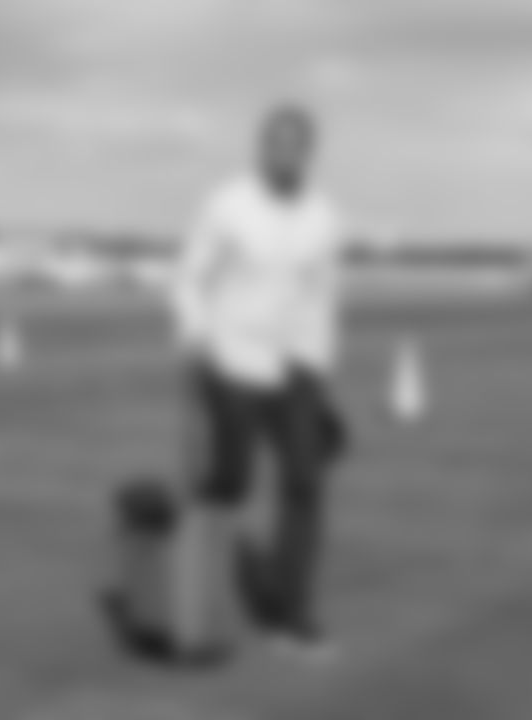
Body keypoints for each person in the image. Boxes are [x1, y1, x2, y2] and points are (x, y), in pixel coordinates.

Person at [170, 102, 350, 663]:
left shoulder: (325, 216)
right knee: (231, 481)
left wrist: (320, 371)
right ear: (261, 148)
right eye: (274, 143)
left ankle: (291, 617)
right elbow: (190, 277)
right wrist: (196, 339)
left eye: (294, 144)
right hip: (233, 361)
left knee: (305, 484)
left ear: (309, 152)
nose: (283, 153)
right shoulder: (227, 204)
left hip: (297, 364)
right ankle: (193, 599)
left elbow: (322, 295)